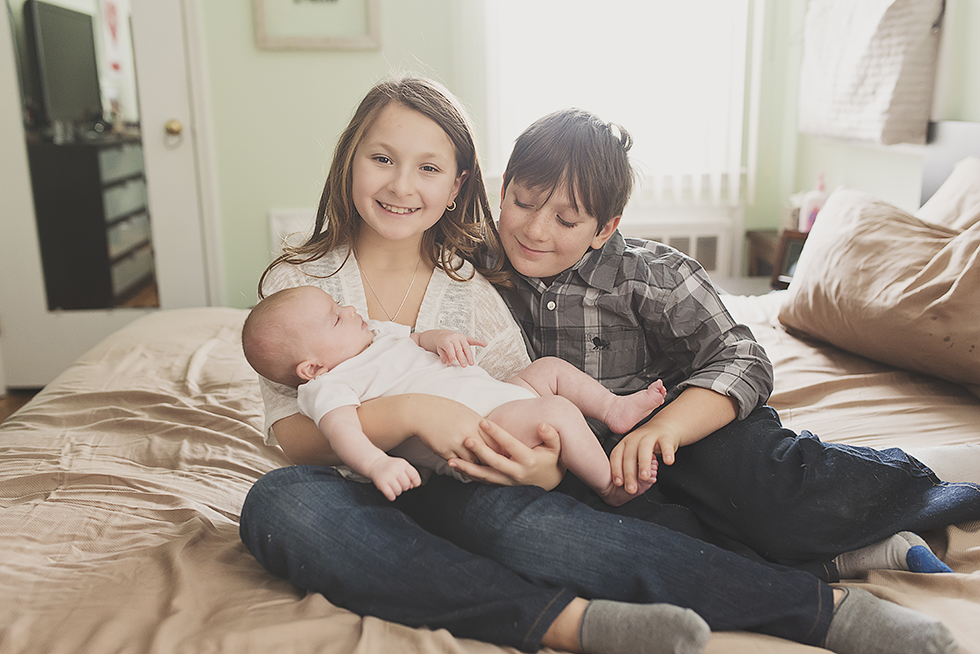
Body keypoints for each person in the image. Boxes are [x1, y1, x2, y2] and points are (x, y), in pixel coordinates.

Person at [238, 75, 960, 654]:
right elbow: (289, 439)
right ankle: (565, 620)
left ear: (458, 185)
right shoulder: (302, 286)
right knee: (281, 504)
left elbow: (523, 414)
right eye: (381, 158)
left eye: (428, 167)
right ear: (349, 160)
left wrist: (539, 470)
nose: (401, 185)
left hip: (467, 480)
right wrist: (404, 414)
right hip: (352, 486)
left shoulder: (474, 286)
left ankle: (813, 605)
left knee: (527, 522)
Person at [241, 284, 666, 503]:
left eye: (340, 304)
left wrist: (442, 338)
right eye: (336, 318)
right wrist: (377, 465)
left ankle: (615, 410)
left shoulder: (376, 336)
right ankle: (609, 488)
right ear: (311, 367)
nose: (351, 310)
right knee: (555, 410)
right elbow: (343, 434)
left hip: (497, 395)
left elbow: (418, 337)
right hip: (480, 430)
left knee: (548, 370)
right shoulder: (328, 386)